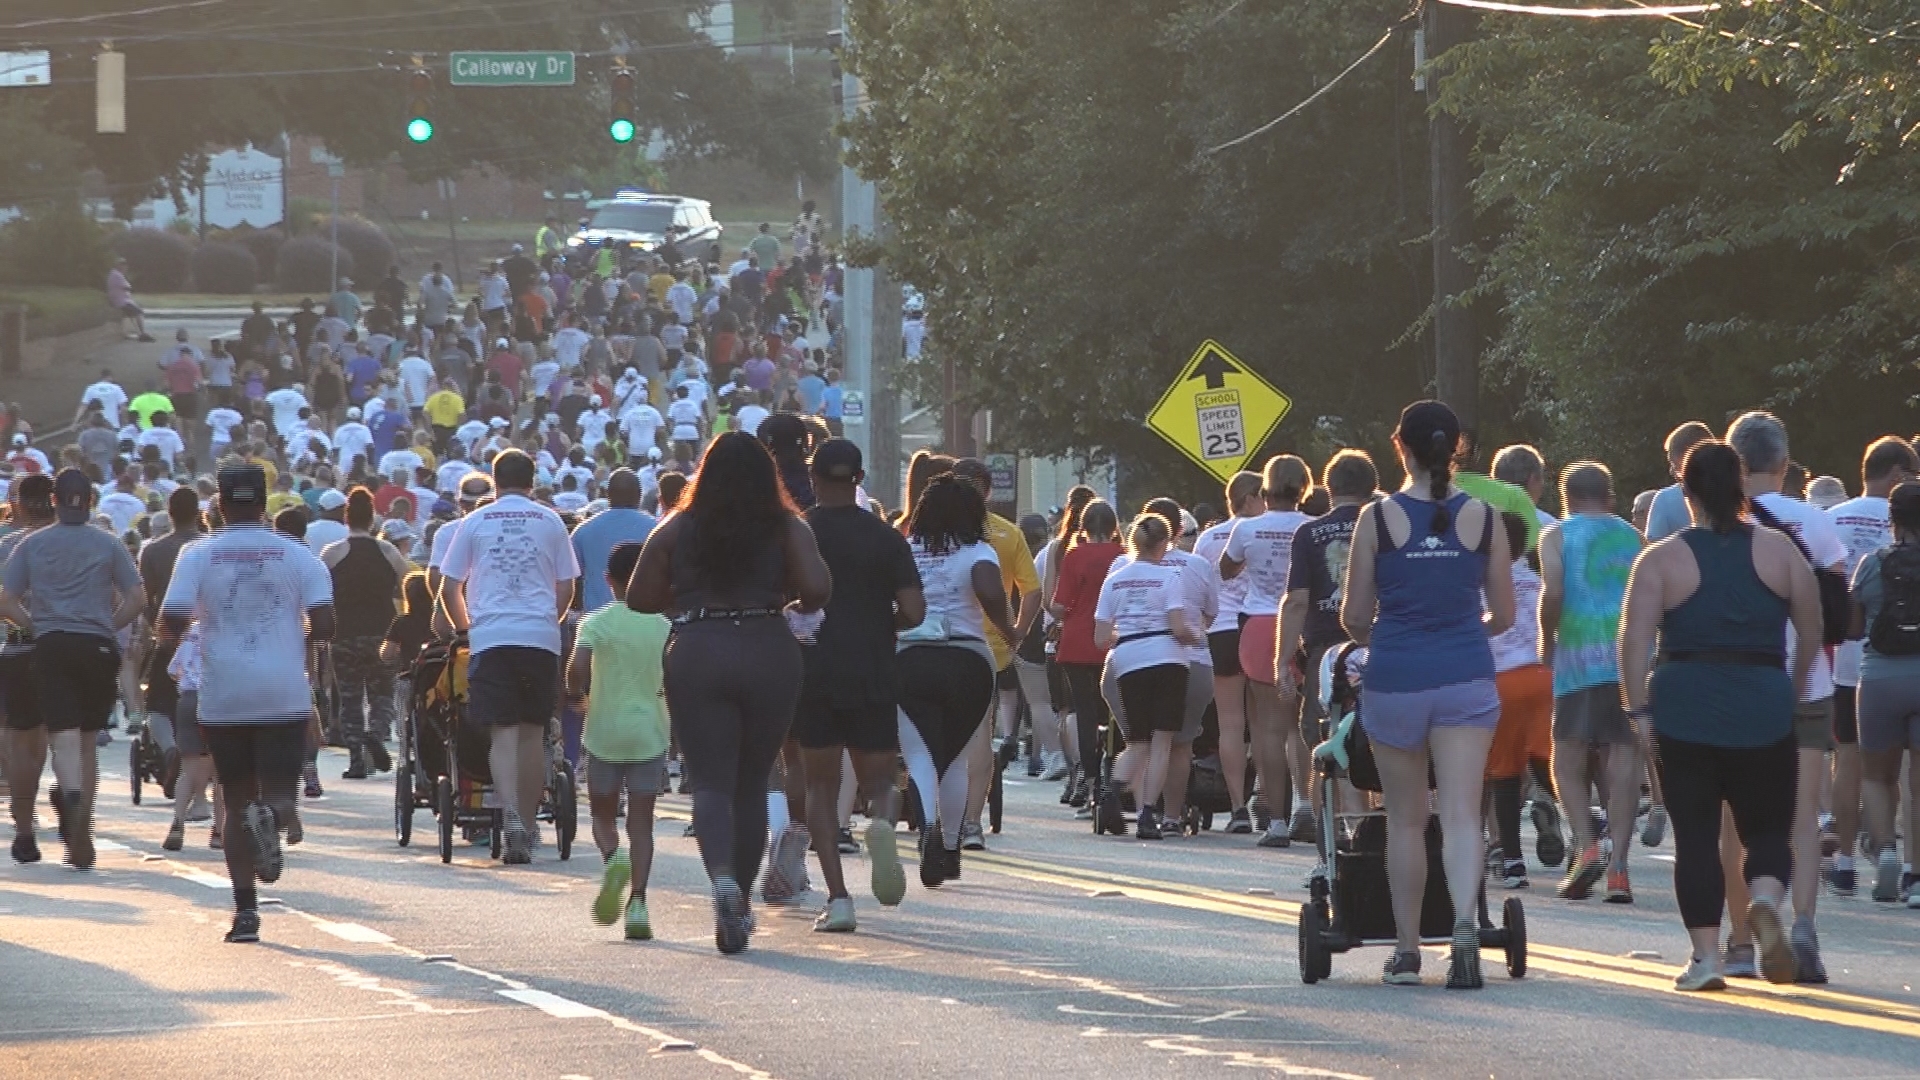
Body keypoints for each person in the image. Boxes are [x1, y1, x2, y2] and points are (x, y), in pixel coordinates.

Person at [1618, 440, 1820, 990]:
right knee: (1769, 826)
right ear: (1742, 486)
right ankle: (1763, 900)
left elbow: (1634, 642)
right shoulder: (1780, 552)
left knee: (1697, 836)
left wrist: (1638, 707)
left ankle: (1706, 959)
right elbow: (1812, 626)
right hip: (1762, 700)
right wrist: (1794, 686)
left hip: (1685, 704)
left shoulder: (1660, 558)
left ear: (1686, 492)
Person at [627, 432, 831, 954]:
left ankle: (721, 881)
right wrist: (776, 591)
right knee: (753, 780)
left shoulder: (678, 527)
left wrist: (689, 595)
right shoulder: (787, 526)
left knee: (711, 779)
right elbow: (818, 589)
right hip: (767, 645)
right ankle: (739, 891)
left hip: (698, 647)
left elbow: (639, 596)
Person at [1339, 401, 1515, 989]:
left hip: (1396, 677)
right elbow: (1505, 612)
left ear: (1400, 447)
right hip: (1466, 674)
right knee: (1463, 814)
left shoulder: (1378, 518)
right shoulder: (1486, 518)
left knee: (1405, 821)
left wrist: (1386, 636)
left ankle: (1408, 949)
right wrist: (1465, 630)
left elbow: (1354, 615)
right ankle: (1465, 928)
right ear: (1456, 447)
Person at [160, 465, 334, 943]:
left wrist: (204, 631)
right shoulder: (298, 555)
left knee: (234, 799)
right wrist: (290, 635)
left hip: (224, 693)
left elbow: (171, 618)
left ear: (217, 505)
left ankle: (245, 912)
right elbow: (325, 625)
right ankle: (274, 816)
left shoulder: (198, 554)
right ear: (264, 505)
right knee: (279, 791)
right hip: (282, 690)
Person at [1728, 410, 1846, 982]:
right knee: (1800, 815)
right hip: (1808, 685)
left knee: (1734, 816)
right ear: (1784, 461)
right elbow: (1841, 611)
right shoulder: (1817, 525)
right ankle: (1804, 934)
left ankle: (1735, 942)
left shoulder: (1716, 519)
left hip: (1738, 684)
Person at [788, 440, 923, 931]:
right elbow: (914, 611)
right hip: (872, 668)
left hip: (815, 670)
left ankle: (839, 898)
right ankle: (883, 824)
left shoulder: (799, 533)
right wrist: (880, 622)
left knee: (822, 787)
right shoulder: (887, 538)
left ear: (814, 478)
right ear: (860, 478)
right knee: (881, 781)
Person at [438, 450, 580, 863]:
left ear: (495, 482)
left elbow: (449, 587)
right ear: (532, 482)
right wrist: (547, 621)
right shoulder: (551, 520)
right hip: (538, 635)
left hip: (491, 635)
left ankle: (510, 816)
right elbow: (567, 585)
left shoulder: (475, 520)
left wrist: (467, 630)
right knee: (534, 733)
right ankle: (529, 823)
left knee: (503, 733)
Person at [0, 469, 146, 869]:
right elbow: (136, 596)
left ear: (53, 500)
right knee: (85, 740)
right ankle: (80, 816)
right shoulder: (107, 542)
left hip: (32, 650)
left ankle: (27, 828)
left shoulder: (24, 545)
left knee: (28, 745)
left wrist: (35, 624)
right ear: (90, 500)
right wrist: (109, 626)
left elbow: (6, 600)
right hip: (95, 646)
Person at [893, 474, 1012, 884]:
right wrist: (1010, 631)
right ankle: (949, 846)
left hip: (911, 657)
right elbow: (991, 594)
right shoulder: (978, 552)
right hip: (967, 659)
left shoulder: (906, 551)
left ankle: (925, 827)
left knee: (920, 754)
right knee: (956, 756)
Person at [1538, 462, 1644, 903]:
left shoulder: (1556, 536)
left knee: (1566, 760)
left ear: (1566, 498)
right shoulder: (1635, 538)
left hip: (1578, 658)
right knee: (1623, 761)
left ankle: (1586, 845)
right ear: (1610, 496)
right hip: (1627, 660)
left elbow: (1555, 592)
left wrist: (1547, 638)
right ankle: (1619, 867)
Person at [1826, 436, 1918, 897]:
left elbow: (1851, 625)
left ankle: (1858, 855)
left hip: (1863, 673)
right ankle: (1913, 872)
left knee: (1863, 768)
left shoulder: (1834, 524)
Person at [567, 540, 672, 940]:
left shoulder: (594, 623)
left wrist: (578, 696)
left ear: (608, 581)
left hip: (603, 733)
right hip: (650, 733)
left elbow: (577, 669)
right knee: (642, 824)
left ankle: (614, 859)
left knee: (601, 817)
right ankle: (639, 905)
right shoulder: (664, 626)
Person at [1277, 450, 1377, 850]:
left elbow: (1297, 600)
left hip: (1327, 652)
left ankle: (1338, 843)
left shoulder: (1309, 534)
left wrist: (1284, 658)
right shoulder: (1386, 527)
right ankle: (1379, 834)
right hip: (1381, 644)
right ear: (1371, 488)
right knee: (1384, 740)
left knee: (1330, 741)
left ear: (1328, 486)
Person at [1220, 455, 1315, 847]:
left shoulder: (1246, 528)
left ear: (1265, 490)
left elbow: (1227, 570)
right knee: (1305, 724)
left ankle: (1276, 819)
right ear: (1304, 487)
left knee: (1268, 728)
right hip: (1307, 625)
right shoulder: (1312, 527)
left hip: (1260, 624)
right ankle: (1308, 806)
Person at [1093, 513, 1205, 839]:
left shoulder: (1114, 579)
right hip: (1168, 658)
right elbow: (1178, 627)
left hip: (1128, 659)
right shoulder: (1169, 577)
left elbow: (1101, 638)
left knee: (1138, 739)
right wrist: (1197, 635)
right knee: (1162, 740)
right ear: (1165, 544)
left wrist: (1128, 631)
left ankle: (1113, 789)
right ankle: (1146, 814)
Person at [1848, 479, 1920, 906]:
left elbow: (1854, 629)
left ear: (1891, 519)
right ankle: (1918, 876)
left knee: (1876, 776)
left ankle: (1886, 852)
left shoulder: (1872, 564)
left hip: (1879, 679)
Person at [320, 488, 410, 778]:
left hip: (344, 633)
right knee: (383, 693)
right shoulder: (388, 551)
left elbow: (321, 594)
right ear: (373, 518)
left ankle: (357, 760)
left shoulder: (331, 554)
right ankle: (377, 732)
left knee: (349, 698)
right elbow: (404, 587)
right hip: (381, 632)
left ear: (346, 518)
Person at [1190, 472, 1263, 832]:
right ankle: (1270, 800)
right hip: (1262, 627)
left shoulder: (1207, 538)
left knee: (1230, 724)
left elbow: (1198, 588)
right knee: (1266, 724)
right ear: (1249, 498)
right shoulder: (1266, 532)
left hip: (1221, 631)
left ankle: (1238, 808)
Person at [1485, 511, 1552, 888]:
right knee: (1549, 763)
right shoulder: (1534, 580)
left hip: (1500, 680)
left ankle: (1511, 859)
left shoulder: (1481, 583)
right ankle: (1588, 825)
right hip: (1543, 675)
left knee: (1504, 775)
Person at [1050, 500, 1123, 817]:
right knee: (1115, 711)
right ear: (1113, 527)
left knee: (1085, 711)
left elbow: (1058, 605)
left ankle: (1091, 780)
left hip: (1078, 640)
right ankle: (1116, 778)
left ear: (1083, 527)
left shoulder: (1074, 557)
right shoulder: (1123, 556)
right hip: (1114, 641)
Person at [2, 476, 55, 862]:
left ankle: (23, 822)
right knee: (52, 742)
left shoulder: (6, 546)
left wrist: (27, 626)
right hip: (67, 646)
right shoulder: (82, 539)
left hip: (18, 647)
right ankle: (64, 800)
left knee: (18, 741)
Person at [571, 470, 657, 609]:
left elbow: (571, 578)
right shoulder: (656, 529)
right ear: (639, 495)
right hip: (646, 620)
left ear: (607, 494)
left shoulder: (584, 530)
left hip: (597, 622)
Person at [1647, 421, 1716, 542]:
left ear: (1684, 460)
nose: (1671, 471)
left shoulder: (1664, 500)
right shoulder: (1738, 489)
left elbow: (1654, 547)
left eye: (1673, 464)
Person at [107, 257, 155, 342]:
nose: (125, 267)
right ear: (118, 265)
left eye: (125, 265)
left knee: (133, 313)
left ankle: (133, 333)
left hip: (121, 300)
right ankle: (142, 334)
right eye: (123, 265)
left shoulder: (116, 274)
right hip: (121, 301)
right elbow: (127, 287)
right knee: (138, 312)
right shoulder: (117, 275)